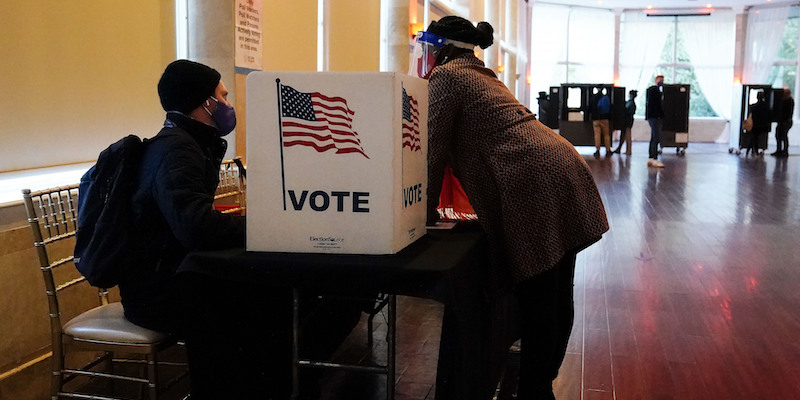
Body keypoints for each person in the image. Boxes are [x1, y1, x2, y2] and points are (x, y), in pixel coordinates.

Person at [413, 16, 609, 400]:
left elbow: (431, 151)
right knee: (556, 289)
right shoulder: (480, 73)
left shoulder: (447, 77)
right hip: (561, 165)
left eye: (425, 47)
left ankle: (534, 390)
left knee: (538, 294)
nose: (422, 55)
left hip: (534, 181)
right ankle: (541, 384)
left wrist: (420, 214)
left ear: (439, 48)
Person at [645, 75, 665, 168]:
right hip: (655, 117)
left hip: (653, 117)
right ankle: (654, 158)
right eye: (660, 80)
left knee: (654, 137)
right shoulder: (654, 91)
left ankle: (651, 157)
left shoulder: (654, 91)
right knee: (656, 137)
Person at [590, 87, 613, 158]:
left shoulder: (594, 97)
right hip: (605, 119)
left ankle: (597, 150)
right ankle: (608, 150)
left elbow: (590, 108)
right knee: (606, 135)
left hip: (596, 119)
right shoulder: (605, 97)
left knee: (597, 135)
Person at [746, 91, 771, 157]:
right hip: (763, 125)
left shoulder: (754, 107)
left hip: (755, 125)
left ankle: (753, 151)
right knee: (757, 138)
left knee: (754, 138)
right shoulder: (766, 107)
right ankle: (754, 150)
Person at [613, 89, 637, 155]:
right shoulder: (630, 103)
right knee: (624, 135)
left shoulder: (631, 103)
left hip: (627, 121)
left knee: (627, 136)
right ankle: (622, 149)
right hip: (627, 121)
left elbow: (629, 112)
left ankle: (628, 150)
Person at [773, 88, 793, 157]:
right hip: (782, 121)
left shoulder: (789, 100)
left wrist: (786, 120)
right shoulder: (784, 100)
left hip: (786, 121)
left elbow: (789, 112)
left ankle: (785, 151)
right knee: (778, 135)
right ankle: (779, 150)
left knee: (784, 136)